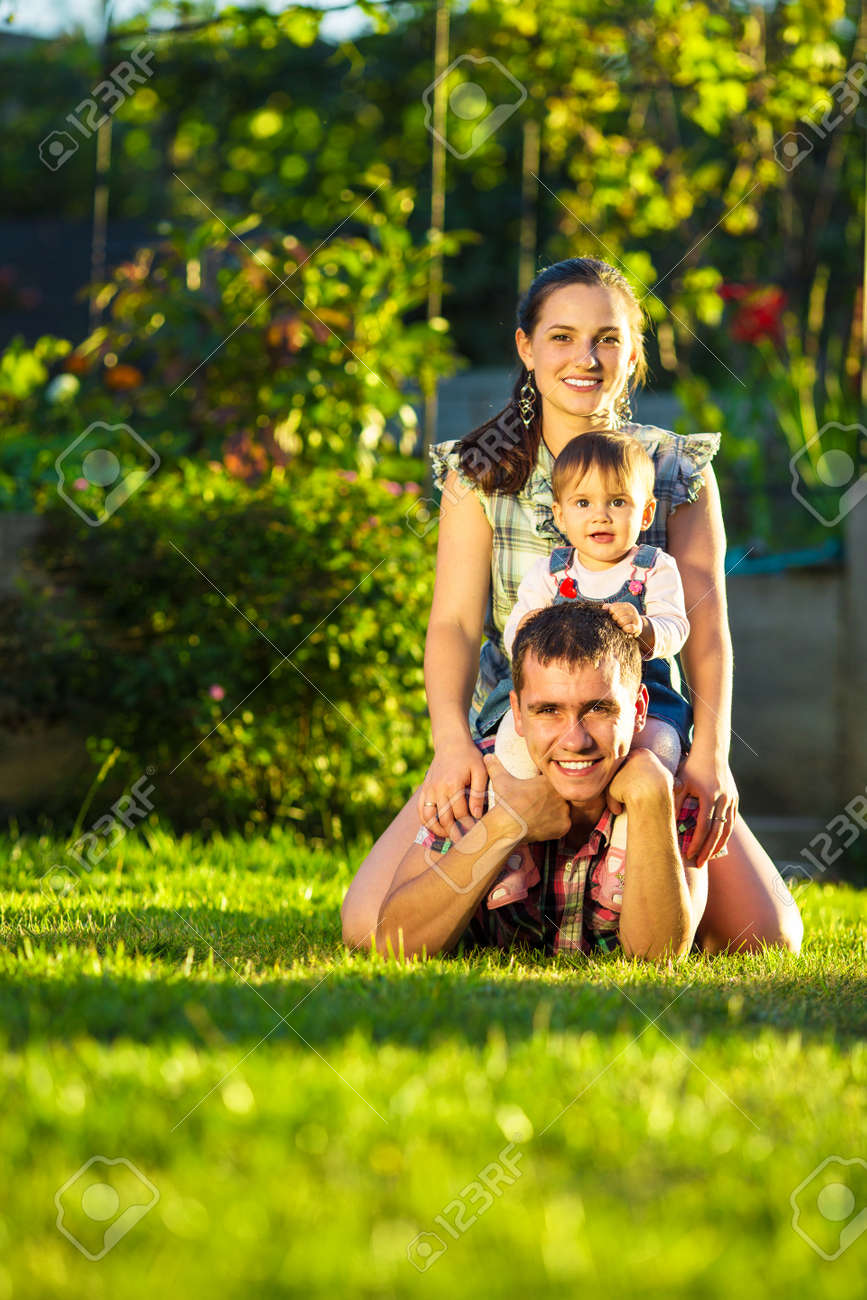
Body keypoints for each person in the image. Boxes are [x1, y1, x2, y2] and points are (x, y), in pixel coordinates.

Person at [341, 255, 803, 957]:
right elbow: (456, 625)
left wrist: (708, 758)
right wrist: (450, 747)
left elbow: (706, 629)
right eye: (561, 337)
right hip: (519, 724)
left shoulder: (675, 472)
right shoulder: (480, 472)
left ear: (632, 352)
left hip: (642, 723)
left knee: (767, 938)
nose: (585, 358)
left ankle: (638, 881)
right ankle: (510, 869)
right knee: (363, 923)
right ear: (526, 348)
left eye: (607, 338)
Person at [375, 605, 706, 961]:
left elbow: (657, 957)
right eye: (548, 711)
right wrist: (507, 823)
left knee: (770, 931)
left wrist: (651, 802)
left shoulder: (664, 786)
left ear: (639, 710)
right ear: (516, 713)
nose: (575, 741)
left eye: (598, 709)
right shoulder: (478, 779)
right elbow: (396, 943)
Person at [486, 429, 691, 910]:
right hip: (561, 696)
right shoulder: (551, 572)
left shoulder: (653, 567)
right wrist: (531, 627)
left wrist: (644, 629)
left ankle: (623, 854)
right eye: (582, 503)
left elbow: (677, 626)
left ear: (645, 514)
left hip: (645, 692)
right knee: (509, 745)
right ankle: (517, 857)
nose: (600, 514)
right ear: (559, 515)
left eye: (618, 501)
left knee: (659, 751)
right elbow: (517, 631)